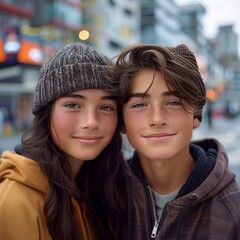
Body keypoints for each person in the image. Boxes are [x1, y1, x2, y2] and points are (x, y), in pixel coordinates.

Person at [109, 43, 240, 239]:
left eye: (173, 102)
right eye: (139, 105)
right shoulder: (107, 197)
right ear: (122, 122)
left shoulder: (232, 212)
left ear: (196, 115)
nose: (157, 118)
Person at [0, 43, 129, 240]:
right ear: (47, 112)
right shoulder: (17, 200)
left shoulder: (100, 185)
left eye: (106, 107)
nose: (91, 122)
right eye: (73, 105)